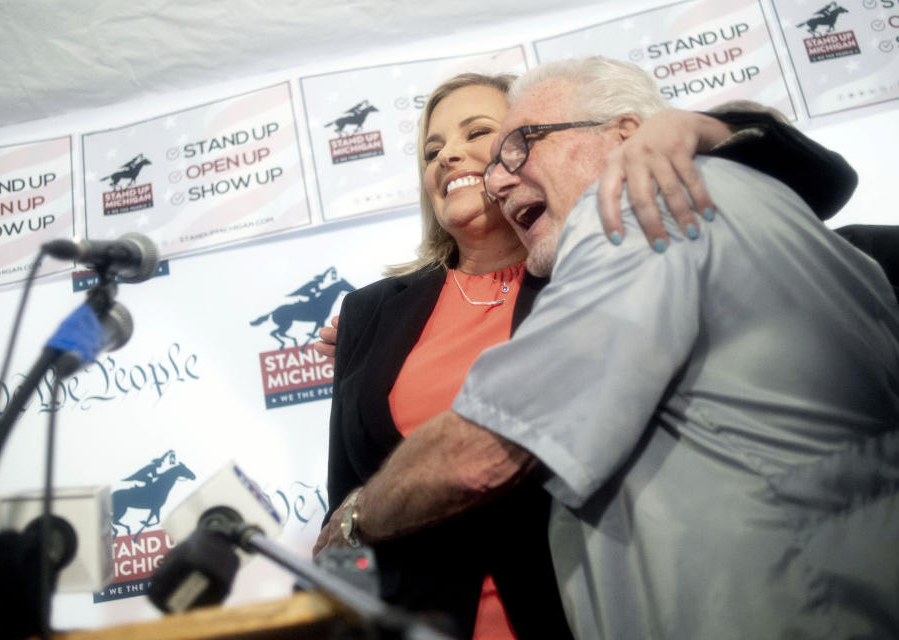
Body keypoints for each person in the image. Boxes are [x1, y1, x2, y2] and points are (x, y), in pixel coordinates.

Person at [317, 57, 899, 639]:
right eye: (432, 148)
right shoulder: (372, 313)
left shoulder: (627, 219)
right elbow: (348, 484)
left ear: (631, 137)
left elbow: (483, 451)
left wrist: (711, 126)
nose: (486, 170)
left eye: (502, 144)